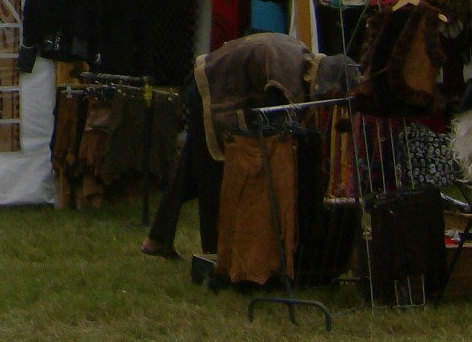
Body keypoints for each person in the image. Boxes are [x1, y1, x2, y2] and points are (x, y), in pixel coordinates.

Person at [141, 31, 357, 259]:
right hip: (210, 88)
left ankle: (157, 239)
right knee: (215, 171)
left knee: (191, 168)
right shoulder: (289, 73)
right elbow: (274, 131)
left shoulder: (301, 61)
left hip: (209, 82)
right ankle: (216, 254)